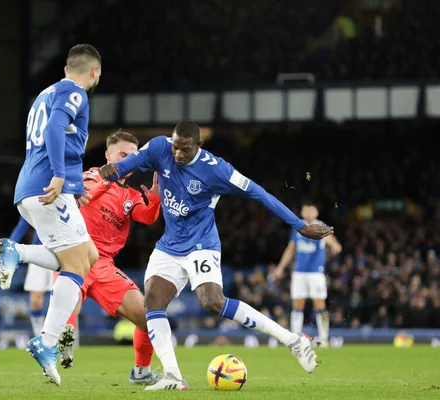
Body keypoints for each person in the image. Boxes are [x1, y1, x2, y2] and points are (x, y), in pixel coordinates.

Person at [99, 120, 333, 391]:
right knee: (152, 302)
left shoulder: (217, 170)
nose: (177, 155)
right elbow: (126, 166)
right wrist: (112, 170)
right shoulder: (160, 147)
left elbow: (260, 194)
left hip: (201, 244)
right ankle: (173, 376)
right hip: (169, 246)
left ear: (198, 146)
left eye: (184, 150)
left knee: (212, 302)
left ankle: (293, 340)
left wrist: (300, 225)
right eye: (175, 148)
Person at [0, 130, 162, 385]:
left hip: (104, 265)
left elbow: (146, 217)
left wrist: (154, 197)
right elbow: (81, 196)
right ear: (108, 155)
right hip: (76, 254)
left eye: (133, 156)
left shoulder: (129, 195)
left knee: (149, 317)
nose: (128, 161)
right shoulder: (92, 174)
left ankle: (141, 372)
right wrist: (107, 179)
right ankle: (60, 340)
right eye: (122, 155)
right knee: (67, 313)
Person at [0, 44, 101, 386]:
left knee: (89, 255)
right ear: (94, 72)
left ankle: (18, 252)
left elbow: (52, 138)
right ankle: (48, 341)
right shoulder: (76, 94)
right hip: (46, 186)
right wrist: (59, 175)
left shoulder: (45, 93)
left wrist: (71, 183)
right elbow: (55, 130)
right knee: (77, 266)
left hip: (30, 187)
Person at [274, 201, 342, 348]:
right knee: (297, 304)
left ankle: (324, 339)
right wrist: (280, 267)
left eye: (311, 211)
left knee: (320, 305)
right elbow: (290, 249)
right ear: (302, 213)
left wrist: (334, 244)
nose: (309, 214)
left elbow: (330, 238)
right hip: (299, 272)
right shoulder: (298, 227)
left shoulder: (321, 226)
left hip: (316, 273)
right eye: (306, 211)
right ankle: (295, 338)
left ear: (316, 212)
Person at [2, 217, 54, 337]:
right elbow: (22, 226)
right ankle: (39, 337)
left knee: (64, 298)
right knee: (35, 301)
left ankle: (66, 338)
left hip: (62, 251)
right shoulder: (33, 199)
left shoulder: (66, 199)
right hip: (39, 251)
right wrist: (6, 253)